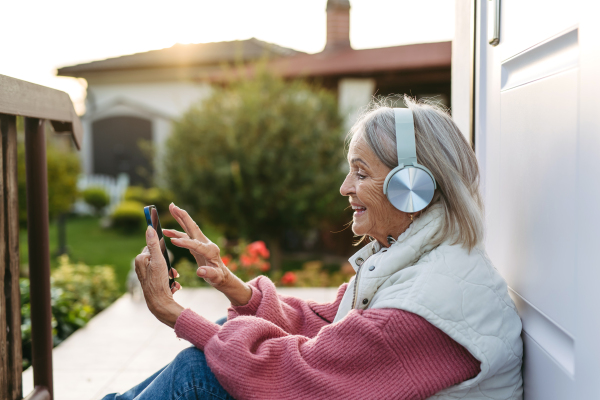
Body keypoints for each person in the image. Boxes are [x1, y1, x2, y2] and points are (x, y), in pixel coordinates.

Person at [102, 97, 523, 400]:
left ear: (412, 187)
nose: (345, 188)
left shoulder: (425, 307)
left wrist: (171, 312)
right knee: (220, 339)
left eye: (361, 173)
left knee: (204, 370)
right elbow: (328, 327)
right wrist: (234, 286)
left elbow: (295, 378)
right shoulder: (422, 260)